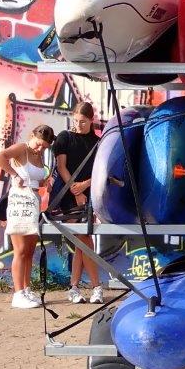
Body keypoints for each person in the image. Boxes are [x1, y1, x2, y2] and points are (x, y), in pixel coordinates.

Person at [0, 125, 56, 309]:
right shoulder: (22, 148)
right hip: (19, 202)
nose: (40, 148)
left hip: (33, 202)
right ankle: (18, 293)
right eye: (39, 144)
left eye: (44, 147)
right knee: (20, 250)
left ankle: (26, 289)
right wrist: (14, 174)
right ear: (32, 136)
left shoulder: (39, 156)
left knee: (29, 250)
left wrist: (45, 183)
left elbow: (34, 179)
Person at [52, 101, 104, 304]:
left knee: (82, 241)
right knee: (83, 239)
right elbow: (61, 167)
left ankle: (74, 288)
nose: (78, 125)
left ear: (92, 120)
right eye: (75, 121)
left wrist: (84, 186)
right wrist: (76, 190)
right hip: (67, 195)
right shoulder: (65, 137)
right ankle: (96, 287)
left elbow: (101, 171)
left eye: (83, 121)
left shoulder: (98, 143)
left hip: (89, 194)